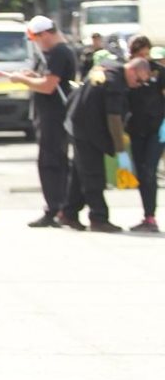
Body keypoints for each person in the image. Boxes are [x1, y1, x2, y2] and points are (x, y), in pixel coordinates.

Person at [59, 57, 153, 232]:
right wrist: (120, 150)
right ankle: (98, 218)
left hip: (78, 122)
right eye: (139, 80)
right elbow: (113, 118)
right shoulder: (115, 83)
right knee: (94, 175)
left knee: (80, 173)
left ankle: (68, 213)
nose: (138, 85)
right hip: (87, 130)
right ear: (132, 70)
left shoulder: (108, 66)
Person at [11, 15, 77, 228]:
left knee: (51, 163)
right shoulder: (50, 54)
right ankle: (59, 207)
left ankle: (56, 208)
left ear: (46, 34)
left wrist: (23, 80)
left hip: (54, 117)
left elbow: (49, 85)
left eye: (37, 38)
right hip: (48, 116)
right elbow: (46, 79)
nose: (37, 43)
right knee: (53, 162)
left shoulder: (58, 52)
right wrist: (32, 76)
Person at [126, 45, 165, 232]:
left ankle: (151, 217)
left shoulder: (159, 72)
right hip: (136, 130)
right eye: (139, 54)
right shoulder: (129, 73)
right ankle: (147, 216)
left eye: (146, 54)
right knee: (141, 173)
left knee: (149, 170)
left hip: (157, 131)